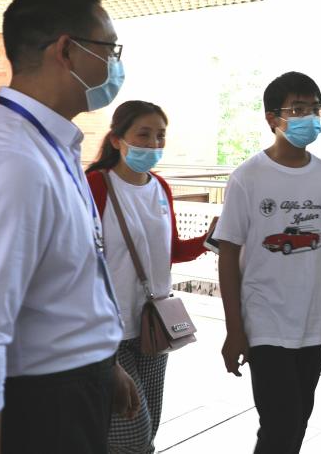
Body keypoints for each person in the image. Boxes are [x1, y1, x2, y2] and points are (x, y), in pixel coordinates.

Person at [0, 0, 139, 454]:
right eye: (109, 49)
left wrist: (104, 363)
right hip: (42, 410)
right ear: (66, 51)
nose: (114, 64)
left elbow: (63, 286)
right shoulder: (9, 160)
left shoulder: (47, 144)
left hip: (73, 391)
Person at [205, 71, 321, 454]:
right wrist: (234, 329)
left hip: (311, 323)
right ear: (272, 118)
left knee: (298, 420)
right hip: (264, 323)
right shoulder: (247, 178)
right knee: (280, 424)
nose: (310, 117)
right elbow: (228, 256)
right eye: (298, 109)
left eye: (315, 109)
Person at [85, 100, 209, 453]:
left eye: (160, 136)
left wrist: (208, 240)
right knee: (131, 435)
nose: (153, 144)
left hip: (153, 327)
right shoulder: (96, 185)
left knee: (148, 427)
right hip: (108, 332)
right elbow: (80, 261)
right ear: (116, 139)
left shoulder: (160, 188)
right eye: (143, 134)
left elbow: (170, 252)